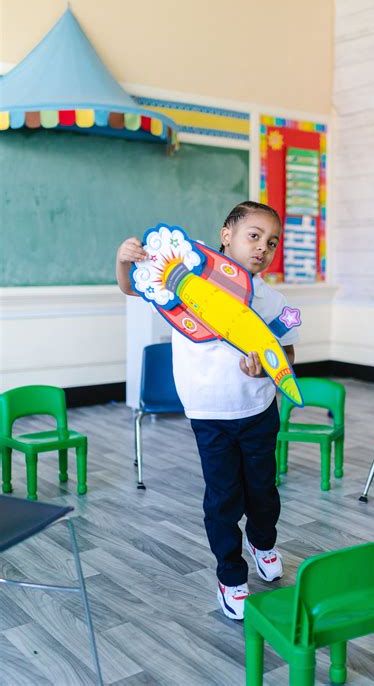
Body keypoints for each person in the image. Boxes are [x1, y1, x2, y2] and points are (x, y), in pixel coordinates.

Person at [116, 201, 299, 620]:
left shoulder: (271, 299)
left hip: (257, 410)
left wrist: (269, 366)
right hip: (208, 413)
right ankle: (230, 576)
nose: (262, 249)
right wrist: (123, 260)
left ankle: (263, 541)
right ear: (226, 234)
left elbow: (286, 353)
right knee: (223, 498)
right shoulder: (187, 271)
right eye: (253, 236)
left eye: (271, 242)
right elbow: (131, 287)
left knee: (264, 494)